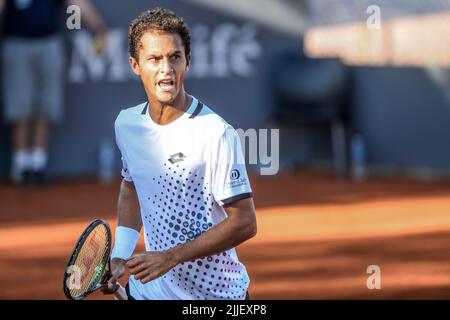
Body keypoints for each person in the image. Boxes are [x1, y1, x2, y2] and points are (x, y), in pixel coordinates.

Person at [103, 7, 257, 300]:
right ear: (135, 65)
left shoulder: (215, 133)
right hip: (151, 291)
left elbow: (245, 223)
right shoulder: (126, 124)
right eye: (154, 59)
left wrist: (170, 257)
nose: (166, 69)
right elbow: (132, 186)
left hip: (215, 297)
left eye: (175, 57)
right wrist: (120, 255)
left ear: (188, 61)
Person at [0, 0, 107, 185]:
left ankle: (37, 165)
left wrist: (97, 25)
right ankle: (20, 166)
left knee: (47, 104)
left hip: (49, 42)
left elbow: (76, 2)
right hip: (16, 43)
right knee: (19, 104)